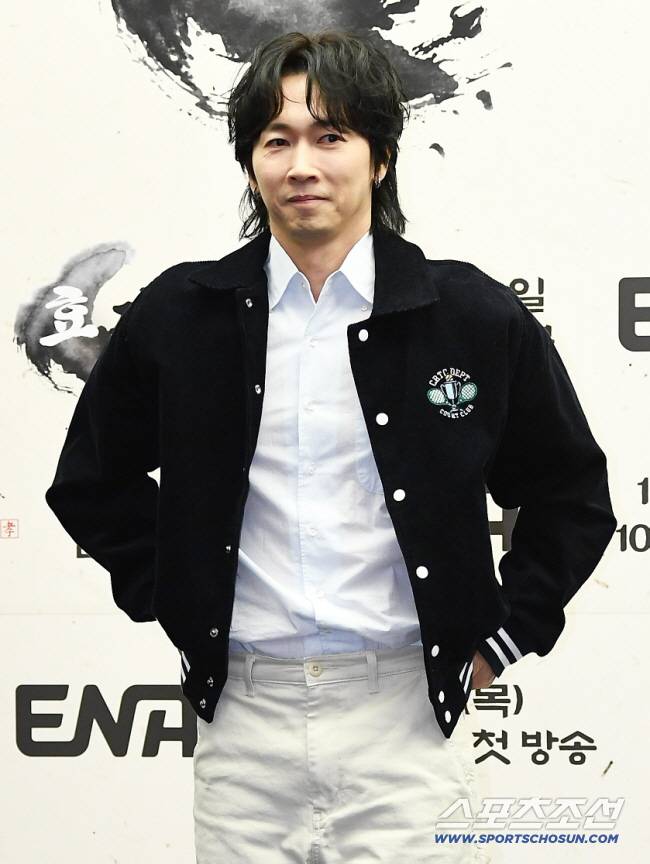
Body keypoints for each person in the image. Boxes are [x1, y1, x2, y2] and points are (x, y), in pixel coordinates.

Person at [45, 29, 616, 864]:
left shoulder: (470, 315)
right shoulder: (180, 314)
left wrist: (506, 632)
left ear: (379, 157)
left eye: (330, 136)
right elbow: (91, 480)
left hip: (407, 726)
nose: (302, 165)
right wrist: (174, 592)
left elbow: (571, 493)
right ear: (251, 164)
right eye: (276, 141)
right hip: (246, 728)